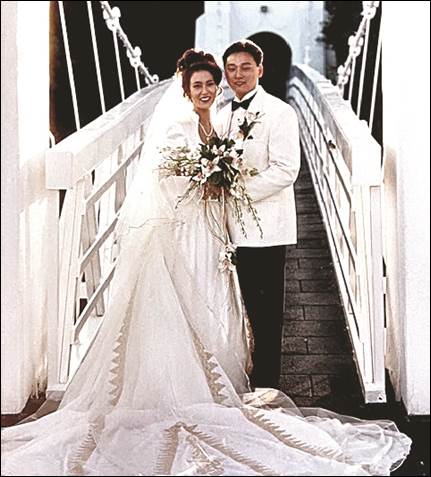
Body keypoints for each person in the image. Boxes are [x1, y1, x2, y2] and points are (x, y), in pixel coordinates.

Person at [1, 49, 410, 476]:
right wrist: (206, 179)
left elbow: (284, 169)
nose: (211, 88)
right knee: (188, 300)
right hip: (190, 226)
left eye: (215, 82)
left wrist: (226, 185)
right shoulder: (187, 122)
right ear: (185, 89)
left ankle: (253, 384)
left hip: (229, 226)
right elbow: (163, 174)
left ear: (258, 70)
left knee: (234, 302)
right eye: (206, 81)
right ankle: (182, 383)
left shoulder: (256, 114)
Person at [217, 39, 300, 389]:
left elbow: (286, 169)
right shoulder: (220, 116)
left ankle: (268, 383)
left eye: (245, 67)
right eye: (231, 68)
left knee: (267, 311)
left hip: (267, 226)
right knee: (242, 305)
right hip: (229, 227)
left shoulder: (280, 112)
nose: (238, 74)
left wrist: (236, 191)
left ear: (260, 70)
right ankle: (246, 371)